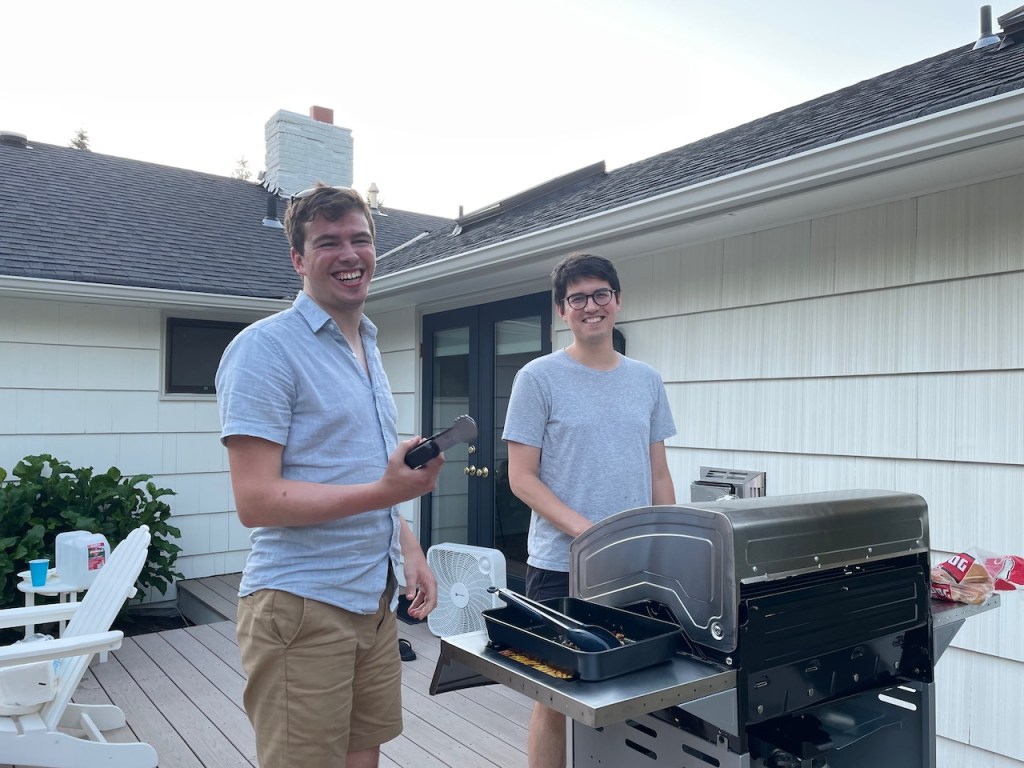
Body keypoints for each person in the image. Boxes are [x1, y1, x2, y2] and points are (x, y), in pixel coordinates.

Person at [215, 184, 444, 768]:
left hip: (372, 600)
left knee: (362, 757)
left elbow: (362, 472)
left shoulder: (366, 345)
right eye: (328, 242)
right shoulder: (265, 349)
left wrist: (409, 546)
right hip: (302, 605)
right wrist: (385, 492)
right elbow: (256, 499)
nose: (349, 254)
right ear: (298, 259)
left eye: (360, 239)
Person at [502, 252, 677, 768]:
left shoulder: (647, 380)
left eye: (601, 294)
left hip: (636, 568)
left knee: (630, 691)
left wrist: (669, 542)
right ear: (562, 310)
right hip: (562, 567)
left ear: (618, 301)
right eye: (576, 298)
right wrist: (593, 535)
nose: (590, 306)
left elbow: (659, 473)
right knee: (555, 696)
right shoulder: (537, 378)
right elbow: (521, 478)